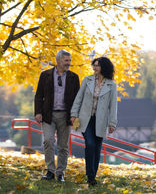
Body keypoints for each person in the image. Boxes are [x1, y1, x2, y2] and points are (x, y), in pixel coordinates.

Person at [70, 56, 117, 186]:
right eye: (94, 65)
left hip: (100, 121)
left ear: (104, 68)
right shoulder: (87, 80)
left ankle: (92, 177)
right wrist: (74, 114)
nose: (94, 67)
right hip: (86, 119)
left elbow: (113, 106)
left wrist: (112, 123)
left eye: (97, 65)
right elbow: (78, 98)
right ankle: (90, 175)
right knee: (90, 144)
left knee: (96, 148)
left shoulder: (111, 85)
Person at [34, 49, 80, 182]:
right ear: (58, 61)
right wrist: (38, 112)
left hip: (66, 116)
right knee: (48, 141)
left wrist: (75, 115)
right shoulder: (45, 75)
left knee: (63, 146)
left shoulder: (73, 77)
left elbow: (77, 99)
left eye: (70, 60)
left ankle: (60, 173)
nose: (69, 63)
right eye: (66, 60)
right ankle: (50, 171)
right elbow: (39, 95)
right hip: (48, 115)